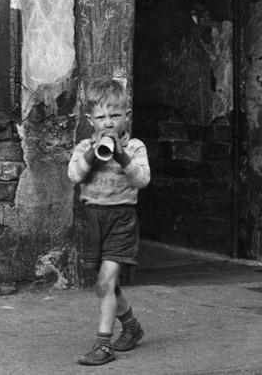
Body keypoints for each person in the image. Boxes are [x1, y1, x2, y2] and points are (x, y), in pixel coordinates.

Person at [68, 78, 151, 365]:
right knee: (106, 284)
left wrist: (122, 155)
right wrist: (94, 153)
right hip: (92, 219)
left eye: (114, 116)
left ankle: (103, 346)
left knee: (105, 281)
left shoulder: (136, 146)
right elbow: (75, 176)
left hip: (121, 220)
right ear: (90, 120)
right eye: (101, 117)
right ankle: (131, 326)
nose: (108, 123)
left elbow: (142, 179)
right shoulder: (83, 146)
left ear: (126, 117)